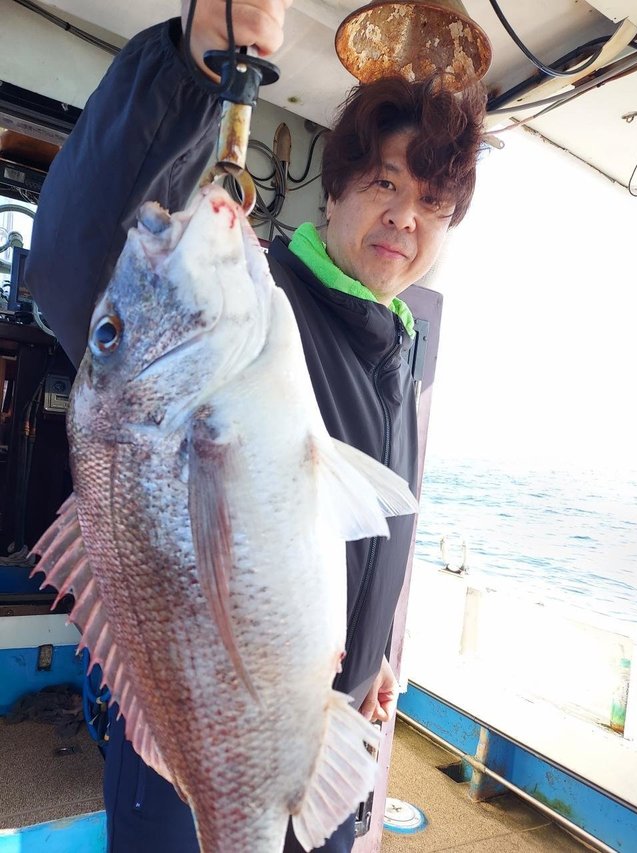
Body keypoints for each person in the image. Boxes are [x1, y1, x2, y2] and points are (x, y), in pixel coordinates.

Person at [26, 1, 486, 850]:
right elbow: (72, 267)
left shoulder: (395, 346)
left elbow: (321, 534)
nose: (406, 217)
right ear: (335, 188)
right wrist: (195, 65)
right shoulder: (266, 308)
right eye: (386, 183)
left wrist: (367, 651)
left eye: (433, 202)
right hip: (192, 770)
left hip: (312, 733)